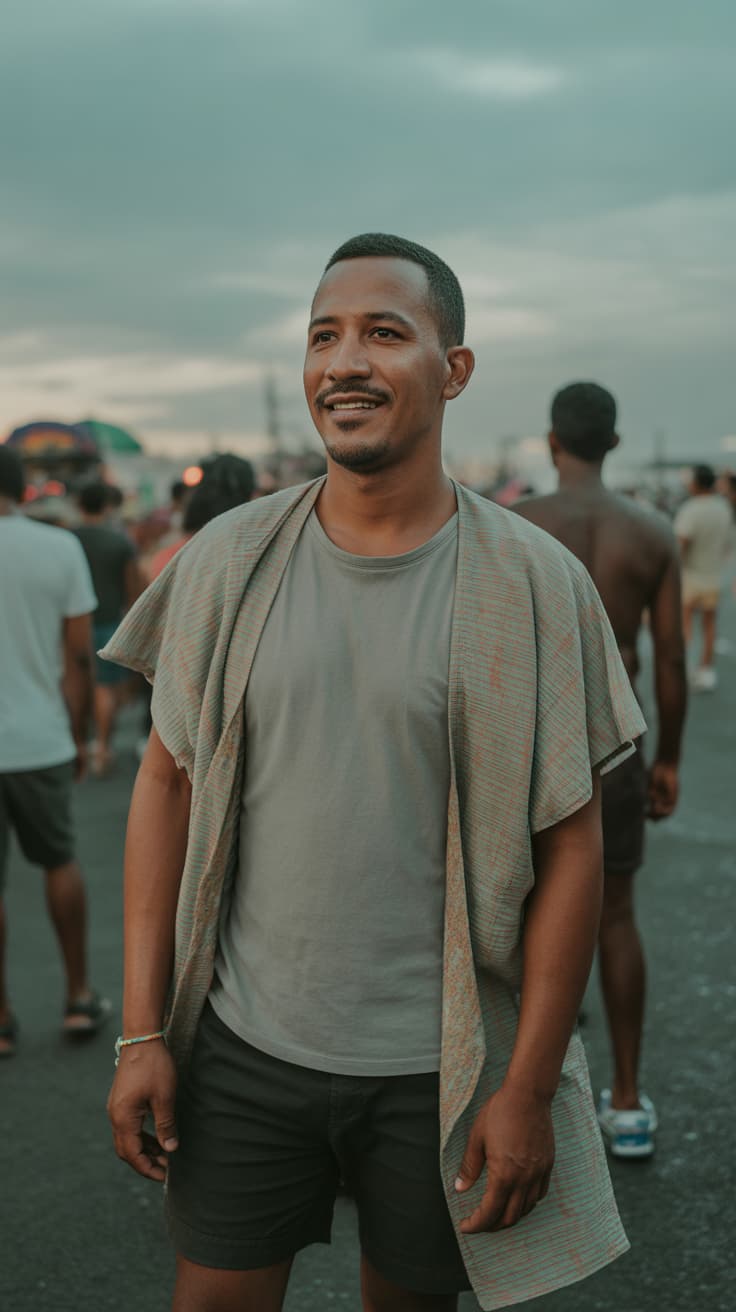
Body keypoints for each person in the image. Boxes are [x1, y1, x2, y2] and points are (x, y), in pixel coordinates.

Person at [105, 235, 645, 1312]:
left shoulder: (536, 584)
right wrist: (140, 1029)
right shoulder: (228, 559)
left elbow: (569, 842)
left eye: (384, 333)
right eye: (323, 335)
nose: (343, 362)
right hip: (247, 1046)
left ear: (454, 369)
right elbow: (163, 785)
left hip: (435, 1070)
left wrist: (527, 1084)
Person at [513, 382, 687, 1159]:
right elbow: (672, 658)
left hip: (528, 740)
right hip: (613, 743)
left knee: (513, 918)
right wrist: (671, 758)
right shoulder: (650, 533)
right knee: (614, 913)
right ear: (612, 444)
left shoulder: (517, 528)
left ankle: (515, 1095)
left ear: (553, 441)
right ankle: (623, 1104)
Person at [0, 446, 110, 1058]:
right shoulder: (58, 547)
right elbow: (76, 657)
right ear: (22, 488)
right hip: (39, 737)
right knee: (59, 861)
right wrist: (78, 735)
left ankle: (1, 1016)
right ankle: (76, 997)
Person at [75, 481, 145, 774]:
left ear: (80, 506)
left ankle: (79, 741)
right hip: (108, 622)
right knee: (105, 688)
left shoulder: (68, 538)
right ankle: (102, 748)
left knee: (77, 682)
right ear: (106, 506)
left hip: (73, 621)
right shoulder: (120, 542)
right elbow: (133, 592)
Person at [674, 464, 733, 691]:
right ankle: (706, 670)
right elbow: (727, 544)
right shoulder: (724, 508)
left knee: (686, 624)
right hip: (713, 576)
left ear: (697, 483)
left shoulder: (691, 509)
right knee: (709, 625)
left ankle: (687, 666)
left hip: (690, 576)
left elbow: (681, 545)